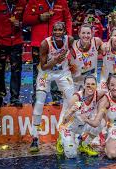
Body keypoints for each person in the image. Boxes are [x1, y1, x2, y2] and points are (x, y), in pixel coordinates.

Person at [30, 22, 75, 152]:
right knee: (39, 101)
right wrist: (55, 60)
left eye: (60, 30)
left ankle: (66, 133)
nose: (57, 32)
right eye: (55, 30)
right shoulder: (45, 44)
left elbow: (76, 52)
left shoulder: (70, 40)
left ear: (64, 31)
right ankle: (34, 137)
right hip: (46, 73)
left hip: (63, 72)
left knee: (72, 100)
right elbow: (43, 66)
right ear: (52, 32)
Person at [23, 0, 72, 105]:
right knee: (38, 71)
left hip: (57, 44)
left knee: (58, 70)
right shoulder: (34, 1)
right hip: (38, 43)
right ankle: (38, 98)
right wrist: (39, 18)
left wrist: (67, 37)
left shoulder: (62, 2)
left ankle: (57, 99)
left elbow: (68, 19)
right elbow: (25, 19)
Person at [57, 75, 106, 158]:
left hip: (83, 126)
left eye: (93, 84)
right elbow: (64, 121)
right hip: (69, 128)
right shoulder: (76, 98)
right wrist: (71, 111)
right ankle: (61, 140)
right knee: (71, 155)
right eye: (87, 84)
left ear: (96, 86)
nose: (90, 86)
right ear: (84, 86)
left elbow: (111, 92)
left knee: (101, 122)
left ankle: (84, 144)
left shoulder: (98, 94)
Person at [0, 0, 26, 108]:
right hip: (0, 42)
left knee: (16, 72)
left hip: (16, 43)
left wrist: (20, 24)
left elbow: (29, 20)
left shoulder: (22, 3)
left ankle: (14, 98)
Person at [69, 24, 103, 91]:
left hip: (92, 80)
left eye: (88, 33)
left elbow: (105, 48)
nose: (86, 36)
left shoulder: (96, 42)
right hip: (77, 81)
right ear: (79, 34)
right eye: (83, 33)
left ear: (92, 34)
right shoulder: (72, 45)